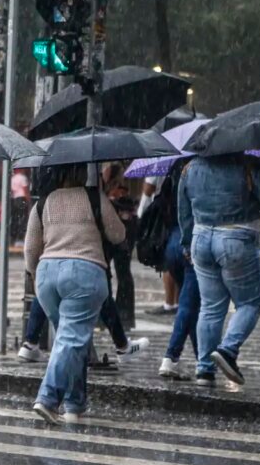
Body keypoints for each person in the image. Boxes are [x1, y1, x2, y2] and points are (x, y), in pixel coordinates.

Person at [24, 163, 125, 424]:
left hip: (47, 277)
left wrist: (36, 274)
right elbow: (118, 235)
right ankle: (47, 398)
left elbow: (30, 248)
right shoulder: (94, 197)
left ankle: (74, 403)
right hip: (83, 272)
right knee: (71, 339)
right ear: (82, 172)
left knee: (70, 339)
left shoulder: (43, 203)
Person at [179, 154, 260, 386]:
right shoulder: (248, 164)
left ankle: (204, 369)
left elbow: (183, 209)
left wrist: (186, 242)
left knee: (210, 307)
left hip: (201, 238)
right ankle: (227, 350)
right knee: (250, 303)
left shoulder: (190, 167)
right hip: (236, 237)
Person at [156, 159, 201, 380]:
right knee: (187, 304)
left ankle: (202, 357)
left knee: (191, 303)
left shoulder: (175, 170)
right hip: (189, 241)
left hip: (172, 243)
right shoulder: (199, 171)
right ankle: (171, 357)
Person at [103, 163, 138, 327]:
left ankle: (122, 315)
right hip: (114, 227)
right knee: (106, 270)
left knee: (121, 271)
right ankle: (109, 312)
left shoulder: (122, 176)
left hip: (122, 228)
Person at [139, 176, 180, 316]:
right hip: (176, 212)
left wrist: (141, 214)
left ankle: (170, 303)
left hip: (165, 214)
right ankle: (176, 301)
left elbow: (148, 188)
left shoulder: (159, 160)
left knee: (167, 261)